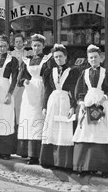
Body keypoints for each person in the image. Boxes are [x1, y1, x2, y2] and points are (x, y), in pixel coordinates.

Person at [40, 44, 79, 170]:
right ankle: (50, 160)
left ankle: (63, 162)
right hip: (53, 102)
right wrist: (44, 106)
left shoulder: (72, 72)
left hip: (65, 102)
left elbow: (75, 90)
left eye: (60, 56)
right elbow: (47, 90)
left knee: (64, 130)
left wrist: (73, 106)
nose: (58, 59)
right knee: (51, 129)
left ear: (66, 57)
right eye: (56, 57)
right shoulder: (50, 71)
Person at [72, 45, 108, 177]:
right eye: (91, 57)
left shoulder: (105, 72)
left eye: (95, 57)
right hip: (87, 104)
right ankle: (86, 166)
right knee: (86, 132)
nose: (93, 59)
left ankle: (103, 168)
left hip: (102, 104)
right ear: (88, 59)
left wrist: (104, 98)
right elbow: (80, 89)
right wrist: (81, 102)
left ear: (101, 58)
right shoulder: (85, 72)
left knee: (101, 131)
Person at [15, 34, 52, 165]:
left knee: (38, 119)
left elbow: (50, 79)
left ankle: (36, 155)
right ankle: (27, 152)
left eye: (39, 46)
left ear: (43, 47)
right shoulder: (27, 60)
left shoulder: (47, 60)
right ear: (31, 46)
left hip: (41, 89)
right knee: (28, 119)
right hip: (29, 92)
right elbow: (19, 80)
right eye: (34, 45)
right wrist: (25, 80)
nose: (36, 48)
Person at [10, 33, 33, 121]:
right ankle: (14, 123)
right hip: (14, 80)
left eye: (20, 41)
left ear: (24, 42)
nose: (18, 43)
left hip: (25, 80)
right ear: (14, 43)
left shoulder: (28, 53)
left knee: (23, 102)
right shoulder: (11, 54)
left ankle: (22, 122)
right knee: (14, 101)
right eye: (16, 42)